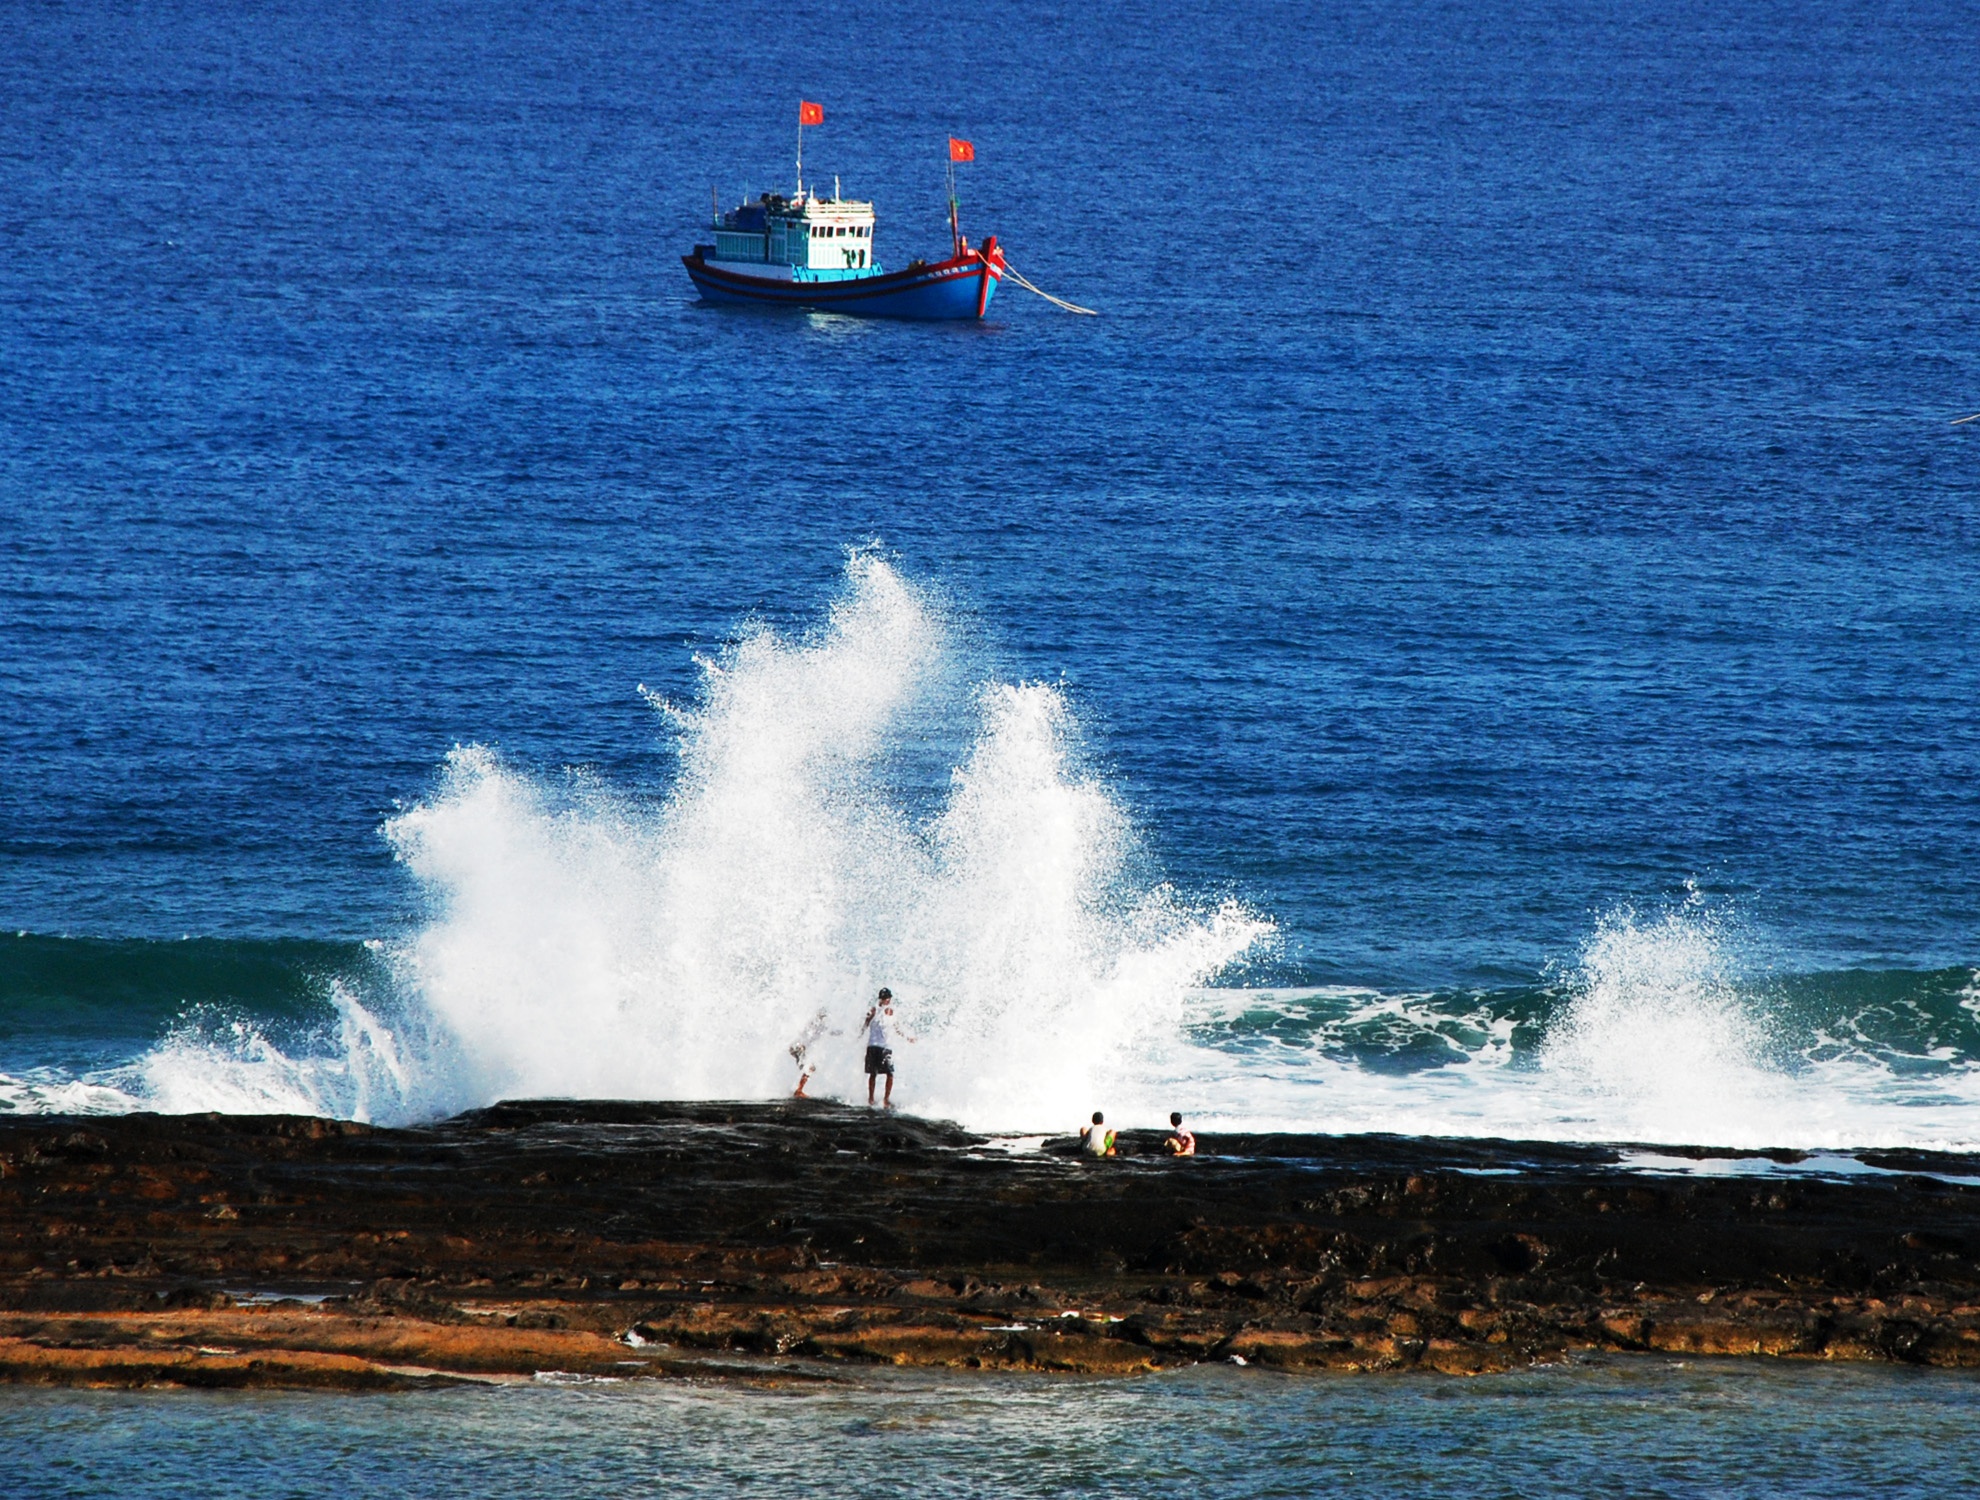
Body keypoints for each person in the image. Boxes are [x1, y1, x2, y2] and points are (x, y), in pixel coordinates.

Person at [862, 988, 913, 1108]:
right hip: (873, 1045)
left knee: (890, 1073)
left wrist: (907, 1038)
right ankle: (871, 1099)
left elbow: (897, 1028)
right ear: (881, 999)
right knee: (873, 1073)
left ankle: (886, 1100)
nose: (887, 1000)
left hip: (886, 1047)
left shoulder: (891, 1012)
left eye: (888, 998)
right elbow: (865, 1024)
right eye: (885, 998)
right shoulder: (873, 1010)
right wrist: (858, 1035)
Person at [788, 1008, 832, 1098]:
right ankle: (798, 1090)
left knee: (808, 1068)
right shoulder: (814, 1024)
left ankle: (798, 1089)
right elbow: (804, 1033)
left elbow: (831, 1032)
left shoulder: (821, 1026)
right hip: (798, 1047)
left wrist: (845, 1033)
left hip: (796, 1048)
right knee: (809, 1068)